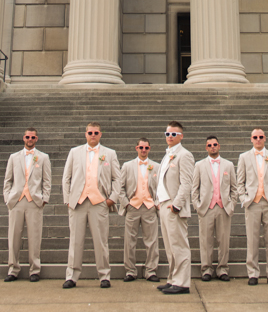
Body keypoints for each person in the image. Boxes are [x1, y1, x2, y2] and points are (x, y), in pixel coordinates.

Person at [62, 123, 120, 288]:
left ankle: (104, 276)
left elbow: (117, 178)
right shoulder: (74, 152)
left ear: (100, 134)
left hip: (99, 202)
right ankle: (71, 276)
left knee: (101, 240)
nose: (93, 135)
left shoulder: (110, 153)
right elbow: (66, 177)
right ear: (85, 134)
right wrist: (68, 199)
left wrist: (111, 199)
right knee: (75, 241)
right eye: (90, 132)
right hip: (78, 202)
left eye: (96, 132)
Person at [3, 127, 52, 282]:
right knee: (14, 236)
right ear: (23, 138)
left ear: (36, 139)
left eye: (32, 137)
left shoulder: (43, 158)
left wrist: (44, 199)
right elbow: (7, 180)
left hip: (34, 201)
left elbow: (47, 181)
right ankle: (13, 269)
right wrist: (7, 198)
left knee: (35, 236)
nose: (30, 139)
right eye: (27, 137)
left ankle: (34, 270)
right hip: (16, 200)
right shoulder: (13, 157)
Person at [237, 128, 268, 285]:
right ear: (251, 139)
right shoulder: (244, 157)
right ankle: (253, 273)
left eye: (261, 137)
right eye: (255, 137)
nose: (258, 139)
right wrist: (244, 198)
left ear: (265, 138)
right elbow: (240, 182)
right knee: (252, 239)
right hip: (253, 203)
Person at [155, 121, 194, 295]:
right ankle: (172, 278)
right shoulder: (167, 155)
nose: (170, 137)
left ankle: (182, 282)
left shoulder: (184, 155)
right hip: (164, 205)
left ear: (181, 136)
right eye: (167, 134)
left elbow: (187, 183)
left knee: (179, 245)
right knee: (170, 246)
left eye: (173, 134)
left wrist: (177, 205)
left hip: (174, 206)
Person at [192, 136, 237, 282]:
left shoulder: (228, 165)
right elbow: (195, 189)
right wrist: (198, 206)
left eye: (215, 144)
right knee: (205, 240)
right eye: (210, 145)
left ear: (219, 146)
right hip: (206, 207)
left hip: (223, 207)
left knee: (223, 240)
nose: (212, 147)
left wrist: (231, 205)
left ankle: (223, 268)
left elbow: (234, 188)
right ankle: (206, 269)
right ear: (206, 148)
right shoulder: (199, 165)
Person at [119, 138, 160, 282]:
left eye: (146, 148)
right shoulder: (127, 166)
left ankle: (151, 270)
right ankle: (130, 271)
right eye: (141, 147)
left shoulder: (156, 166)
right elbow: (120, 187)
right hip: (133, 207)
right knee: (129, 241)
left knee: (152, 241)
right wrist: (126, 204)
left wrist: (156, 204)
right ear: (136, 148)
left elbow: (161, 188)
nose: (143, 150)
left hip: (149, 207)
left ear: (150, 149)